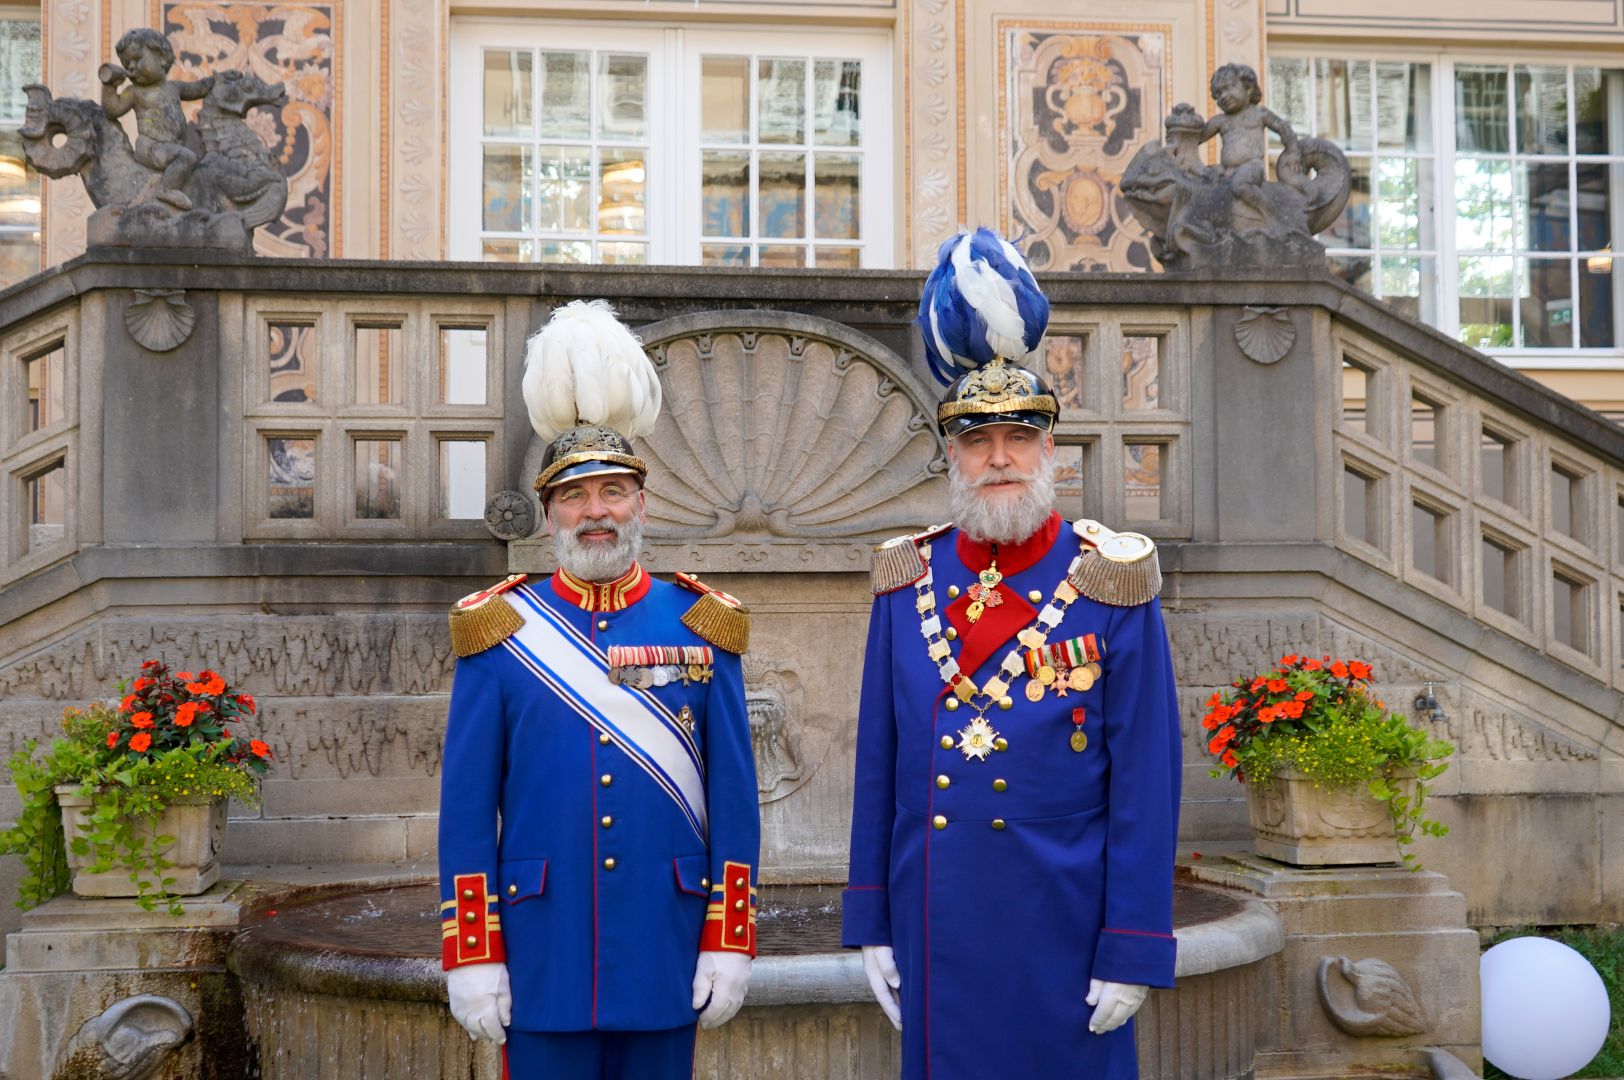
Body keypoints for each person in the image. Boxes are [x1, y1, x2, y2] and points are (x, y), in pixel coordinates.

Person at [843, 228, 1182, 1079]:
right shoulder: (904, 577)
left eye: (1018, 440)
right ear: (951, 456)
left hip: (1064, 927)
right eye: (978, 441)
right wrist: (871, 919)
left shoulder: (1110, 577)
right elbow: (877, 767)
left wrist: (1133, 944)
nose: (999, 458)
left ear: (1050, 454)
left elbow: (1145, 778)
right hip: (937, 923)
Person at [438, 300, 760, 1079]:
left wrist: (729, 936)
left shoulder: (701, 622)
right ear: (548, 514)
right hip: (543, 946)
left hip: (667, 940)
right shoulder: (501, 628)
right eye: (576, 498)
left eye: (613, 492)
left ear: (641, 504)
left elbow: (736, 802)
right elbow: (468, 808)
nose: (596, 513)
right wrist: (472, 952)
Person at [99, 29, 213, 211]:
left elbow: (197, 89)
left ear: (162, 58)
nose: (132, 67)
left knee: (189, 162)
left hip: (169, 148)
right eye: (127, 63)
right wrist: (109, 87)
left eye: (137, 59)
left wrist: (216, 82)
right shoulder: (135, 92)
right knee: (187, 158)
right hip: (150, 147)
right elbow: (113, 109)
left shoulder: (173, 87)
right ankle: (166, 190)